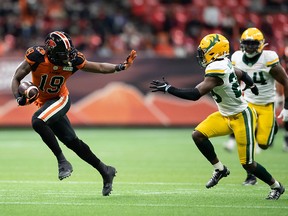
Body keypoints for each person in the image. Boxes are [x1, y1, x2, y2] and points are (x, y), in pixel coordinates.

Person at [150, 33, 285, 200]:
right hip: (225, 115)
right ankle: (220, 169)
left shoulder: (217, 68)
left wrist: (169, 89)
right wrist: (251, 85)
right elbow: (241, 73)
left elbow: (195, 94)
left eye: (205, 51)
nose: (201, 54)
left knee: (248, 165)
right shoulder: (223, 62)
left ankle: (276, 186)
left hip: (242, 117)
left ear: (215, 52)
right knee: (198, 135)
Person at [11, 31, 137, 196]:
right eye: (64, 54)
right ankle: (106, 170)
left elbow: (97, 67)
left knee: (37, 121)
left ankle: (62, 162)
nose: (68, 57)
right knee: (72, 142)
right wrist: (18, 98)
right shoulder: (36, 56)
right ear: (52, 52)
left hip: (60, 99)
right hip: (44, 102)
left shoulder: (74, 59)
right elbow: (16, 78)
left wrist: (119, 67)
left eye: (69, 53)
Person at [223, 27, 288, 185]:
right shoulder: (237, 57)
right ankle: (250, 176)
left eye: (253, 43)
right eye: (247, 43)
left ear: (261, 44)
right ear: (242, 44)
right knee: (246, 140)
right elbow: (235, 80)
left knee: (264, 144)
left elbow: (285, 81)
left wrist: (286, 107)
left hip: (266, 104)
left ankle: (273, 128)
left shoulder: (268, 57)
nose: (250, 46)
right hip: (248, 104)